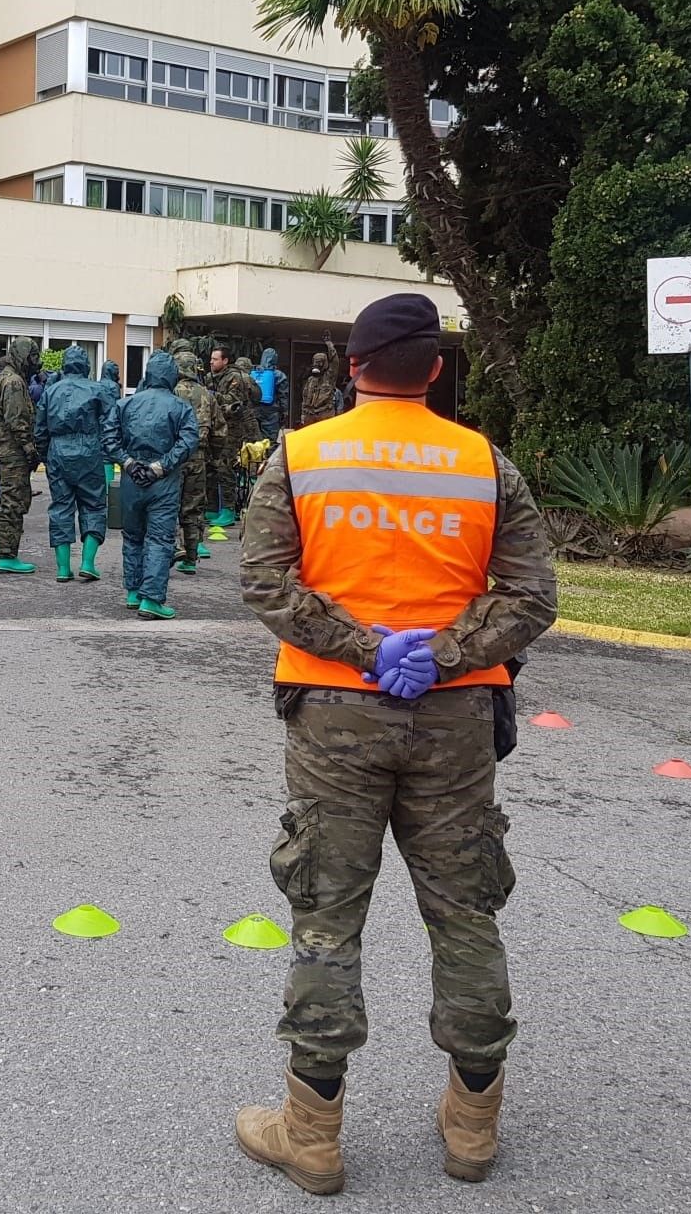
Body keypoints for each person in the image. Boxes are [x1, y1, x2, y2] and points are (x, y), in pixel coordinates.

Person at [233, 292, 558, 1196]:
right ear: (437, 370)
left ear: (352, 366)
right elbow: (532, 597)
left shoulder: (301, 457)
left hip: (336, 712)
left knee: (327, 915)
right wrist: (441, 653)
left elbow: (264, 580)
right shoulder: (485, 464)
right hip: (457, 718)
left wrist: (366, 649)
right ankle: (471, 1129)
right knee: (465, 913)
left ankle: (313, 1136)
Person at [103, 350, 199, 621]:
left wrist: (129, 463)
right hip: (163, 481)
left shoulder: (126, 405)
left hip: (132, 480)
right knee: (159, 538)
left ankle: (133, 592)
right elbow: (189, 441)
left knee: (132, 536)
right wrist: (161, 466)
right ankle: (152, 598)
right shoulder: (180, 407)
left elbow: (109, 437)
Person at [32, 345, 112, 582]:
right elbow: (110, 424)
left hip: (58, 451)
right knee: (94, 505)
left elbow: (40, 429)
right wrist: (106, 452)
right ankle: (88, 563)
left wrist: (47, 456)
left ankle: (63, 568)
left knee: (61, 507)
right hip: (89, 451)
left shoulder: (51, 391)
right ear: (86, 366)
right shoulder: (97, 390)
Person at [0, 336, 40, 573]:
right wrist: (29, 449)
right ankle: (7, 555)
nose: (35, 363)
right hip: (11, 449)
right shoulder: (14, 382)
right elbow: (17, 420)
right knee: (16, 500)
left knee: (9, 498)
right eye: (33, 357)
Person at [171, 349, 224, 574]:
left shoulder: (171, 392)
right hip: (199, 457)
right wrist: (214, 456)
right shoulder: (207, 395)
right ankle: (191, 559)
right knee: (193, 508)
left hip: (172, 457)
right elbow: (220, 432)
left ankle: (171, 548)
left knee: (169, 505)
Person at [208, 347, 258, 526]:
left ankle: (228, 510)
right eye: (211, 359)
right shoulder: (211, 377)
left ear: (225, 361)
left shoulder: (235, 378)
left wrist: (214, 397)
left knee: (225, 467)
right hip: (216, 428)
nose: (212, 362)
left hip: (232, 430)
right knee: (212, 468)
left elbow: (234, 404)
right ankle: (212, 509)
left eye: (215, 359)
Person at [301, 341, 340, 427]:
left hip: (325, 413)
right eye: (315, 362)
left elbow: (335, 363)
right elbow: (305, 398)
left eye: (319, 362)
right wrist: (303, 414)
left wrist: (330, 345)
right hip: (310, 415)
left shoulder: (329, 377)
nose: (317, 365)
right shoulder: (310, 380)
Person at [256, 347, 287, 444]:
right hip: (272, 413)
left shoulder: (256, 373)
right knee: (269, 442)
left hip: (256, 411)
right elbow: (283, 396)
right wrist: (284, 413)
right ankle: (268, 458)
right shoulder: (279, 375)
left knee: (255, 443)